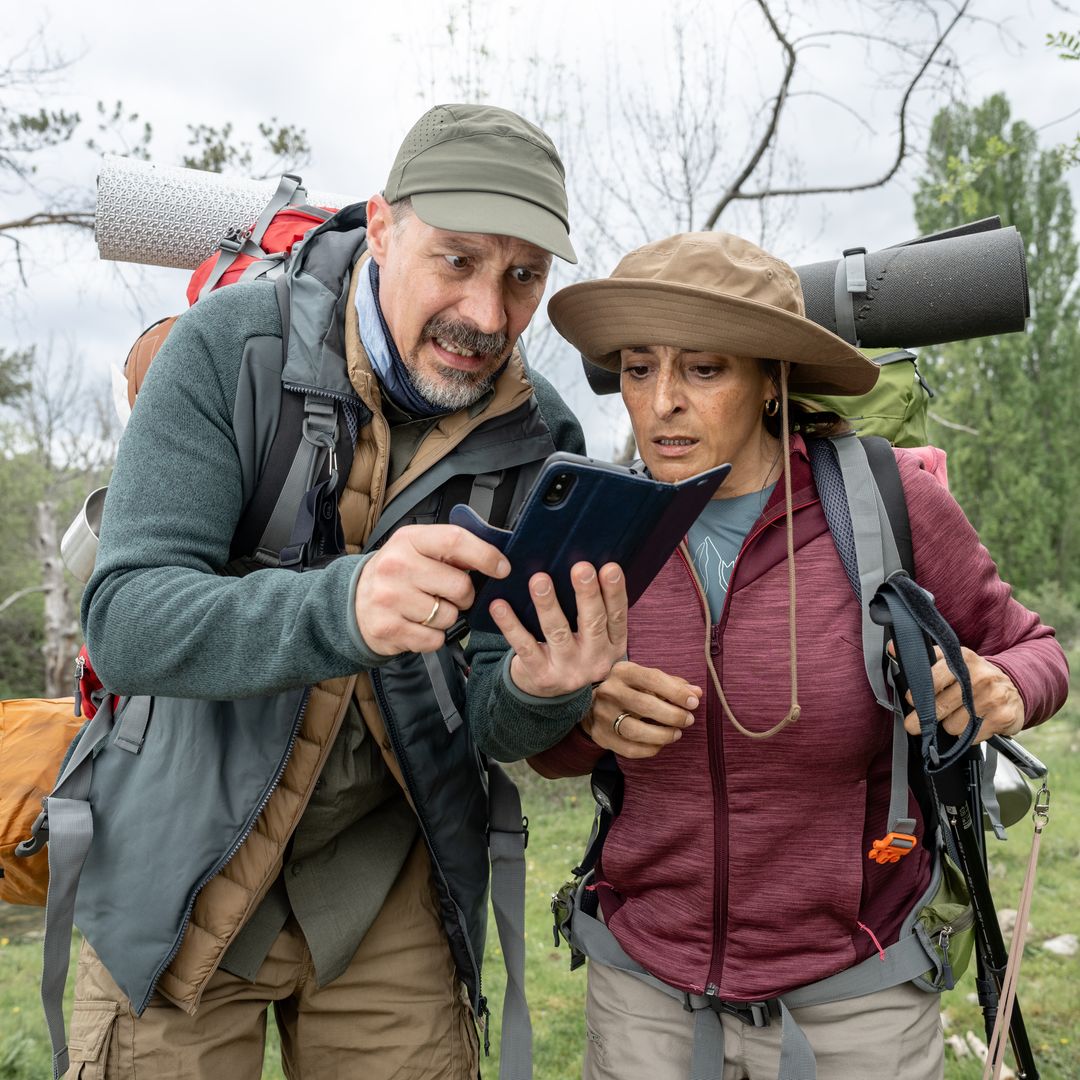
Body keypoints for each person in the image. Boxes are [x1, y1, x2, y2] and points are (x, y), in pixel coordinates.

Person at [71, 103, 627, 1080]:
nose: (490, 315)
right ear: (381, 227)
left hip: (383, 879)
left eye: (524, 275)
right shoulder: (225, 350)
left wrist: (548, 688)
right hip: (180, 862)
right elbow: (126, 618)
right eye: (457, 259)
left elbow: (495, 723)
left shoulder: (545, 444)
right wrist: (341, 606)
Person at [469, 231, 1071, 1080]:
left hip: (858, 998)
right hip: (645, 994)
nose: (662, 401)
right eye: (639, 369)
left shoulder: (887, 504)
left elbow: (1035, 649)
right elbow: (539, 743)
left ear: (768, 380)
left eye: (703, 369)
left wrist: (1005, 687)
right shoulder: (595, 533)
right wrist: (575, 707)